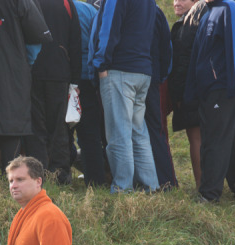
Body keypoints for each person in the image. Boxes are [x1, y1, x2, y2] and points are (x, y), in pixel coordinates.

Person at [0, 0, 50, 176]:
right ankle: (10, 179)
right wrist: (23, 63)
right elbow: (37, 38)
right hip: (14, 72)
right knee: (12, 123)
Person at [90, 0, 159, 193]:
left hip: (120, 69)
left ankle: (123, 189)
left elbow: (109, 28)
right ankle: (150, 187)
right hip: (142, 69)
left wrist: (101, 64)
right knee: (139, 132)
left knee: (119, 133)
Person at [184, 0, 235, 202]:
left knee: (214, 140)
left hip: (223, 88)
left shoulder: (230, 8)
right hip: (209, 90)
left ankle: (209, 194)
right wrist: (191, 91)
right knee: (232, 141)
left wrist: (234, 88)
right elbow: (198, 54)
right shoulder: (209, 12)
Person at [23, 0, 81, 185]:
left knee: (36, 127)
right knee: (59, 127)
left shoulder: (29, 2)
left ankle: (38, 176)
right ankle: (61, 175)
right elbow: (75, 40)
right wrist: (75, 80)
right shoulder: (66, 3)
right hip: (60, 70)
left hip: (33, 70)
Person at [71, 0, 107, 187]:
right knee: (89, 134)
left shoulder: (48, 7)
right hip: (87, 77)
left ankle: (60, 177)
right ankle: (96, 180)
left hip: (62, 77)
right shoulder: (88, 10)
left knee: (60, 132)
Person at [169, 0, 203, 187]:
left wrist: (178, 94)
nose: (176, 3)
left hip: (191, 90)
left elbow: (182, 63)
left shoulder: (189, 24)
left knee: (196, 138)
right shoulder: (191, 21)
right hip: (201, 88)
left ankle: (201, 184)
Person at [145, 4, 176, 189]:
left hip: (142, 76)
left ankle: (164, 181)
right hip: (153, 76)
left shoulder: (153, 11)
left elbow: (166, 48)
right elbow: (167, 48)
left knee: (153, 130)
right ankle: (165, 181)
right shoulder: (155, 11)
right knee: (155, 130)